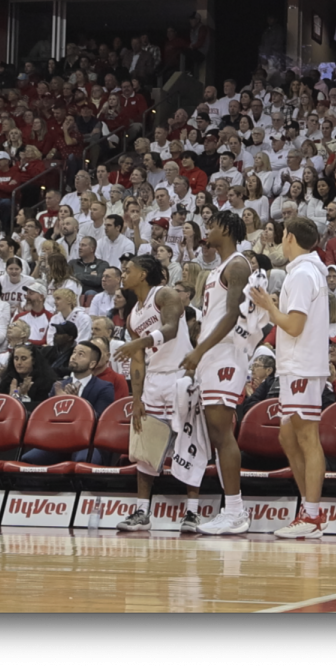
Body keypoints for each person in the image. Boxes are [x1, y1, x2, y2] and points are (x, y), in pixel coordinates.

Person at [247, 218, 331, 538]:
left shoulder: (303, 273)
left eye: (282, 236)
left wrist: (269, 305)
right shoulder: (306, 270)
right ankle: (308, 509)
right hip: (294, 365)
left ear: (291, 238)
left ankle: (311, 514)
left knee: (307, 437)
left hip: (302, 366)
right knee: (287, 436)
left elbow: (293, 326)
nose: (281, 242)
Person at [180, 211, 254, 535]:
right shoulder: (215, 271)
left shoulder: (237, 265)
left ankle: (236, 511)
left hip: (226, 355)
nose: (207, 230)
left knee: (223, 432)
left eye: (211, 225)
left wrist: (199, 350)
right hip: (211, 355)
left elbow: (233, 316)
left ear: (225, 228)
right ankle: (231, 508)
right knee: (215, 433)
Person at [112, 254, 195, 533]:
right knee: (145, 450)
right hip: (154, 382)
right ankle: (142, 513)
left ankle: (192, 513)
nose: (124, 274)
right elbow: (137, 360)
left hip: (181, 376)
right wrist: (136, 399)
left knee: (189, 444)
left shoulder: (165, 294)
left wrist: (144, 340)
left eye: (128, 270)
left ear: (143, 274)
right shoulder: (133, 315)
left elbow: (170, 329)